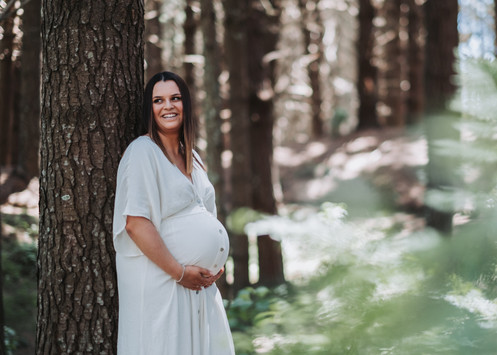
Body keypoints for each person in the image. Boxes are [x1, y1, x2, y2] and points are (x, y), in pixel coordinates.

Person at [112, 71, 235, 354]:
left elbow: (206, 215)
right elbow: (136, 224)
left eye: (175, 98)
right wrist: (180, 273)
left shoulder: (192, 155)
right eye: (158, 100)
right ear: (149, 109)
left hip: (199, 290)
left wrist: (215, 260)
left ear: (186, 105)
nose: (168, 106)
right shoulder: (142, 151)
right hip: (163, 286)